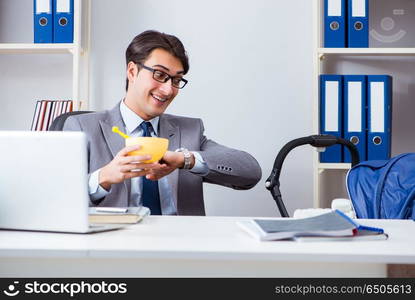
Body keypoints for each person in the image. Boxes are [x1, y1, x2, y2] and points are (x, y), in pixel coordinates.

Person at [64, 30, 261, 215]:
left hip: (180, 245)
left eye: (176, 80)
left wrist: (185, 160)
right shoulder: (82, 128)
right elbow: (57, 197)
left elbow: (250, 171)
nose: (168, 90)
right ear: (132, 71)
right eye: (159, 75)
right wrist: (103, 177)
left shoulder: (189, 131)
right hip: (114, 245)